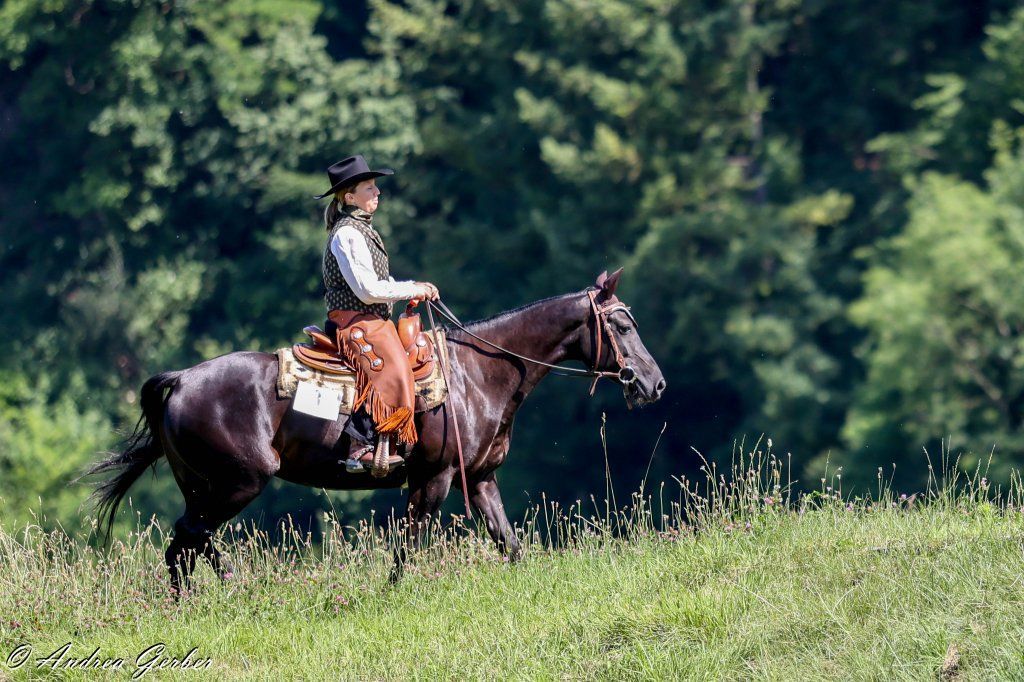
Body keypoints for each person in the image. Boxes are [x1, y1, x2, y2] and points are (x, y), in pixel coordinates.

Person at [313, 155, 439, 473]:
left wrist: (413, 288)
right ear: (349, 197)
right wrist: (412, 289)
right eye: (369, 188)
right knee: (393, 366)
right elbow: (368, 290)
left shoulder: (363, 230)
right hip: (354, 322)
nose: (377, 193)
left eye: (375, 187)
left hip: (370, 320)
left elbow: (376, 286)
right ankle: (361, 445)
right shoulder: (348, 234)